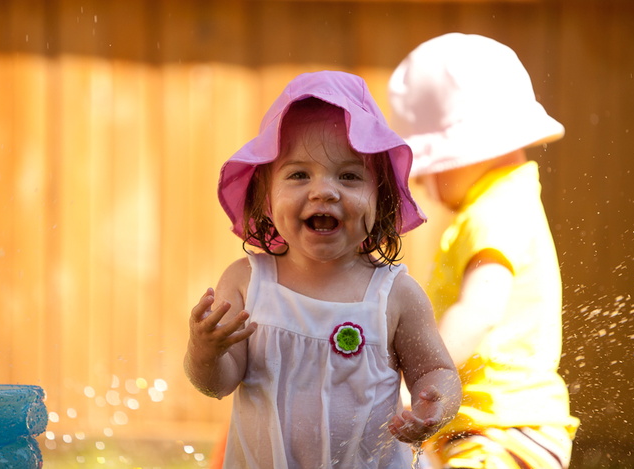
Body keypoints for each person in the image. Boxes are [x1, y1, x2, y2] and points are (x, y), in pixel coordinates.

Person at [184, 70, 462, 468]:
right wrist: (205, 352)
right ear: (265, 194)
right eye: (298, 174)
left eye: (349, 176)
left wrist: (435, 401)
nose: (324, 191)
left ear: (380, 197)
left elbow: (436, 369)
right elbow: (218, 383)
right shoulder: (246, 284)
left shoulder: (394, 295)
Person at [387, 33, 580, 469]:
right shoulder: (504, 203)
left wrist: (418, 379)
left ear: (465, 151)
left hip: (501, 426)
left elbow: (480, 310)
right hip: (491, 427)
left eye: (428, 166)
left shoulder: (496, 210)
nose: (420, 182)